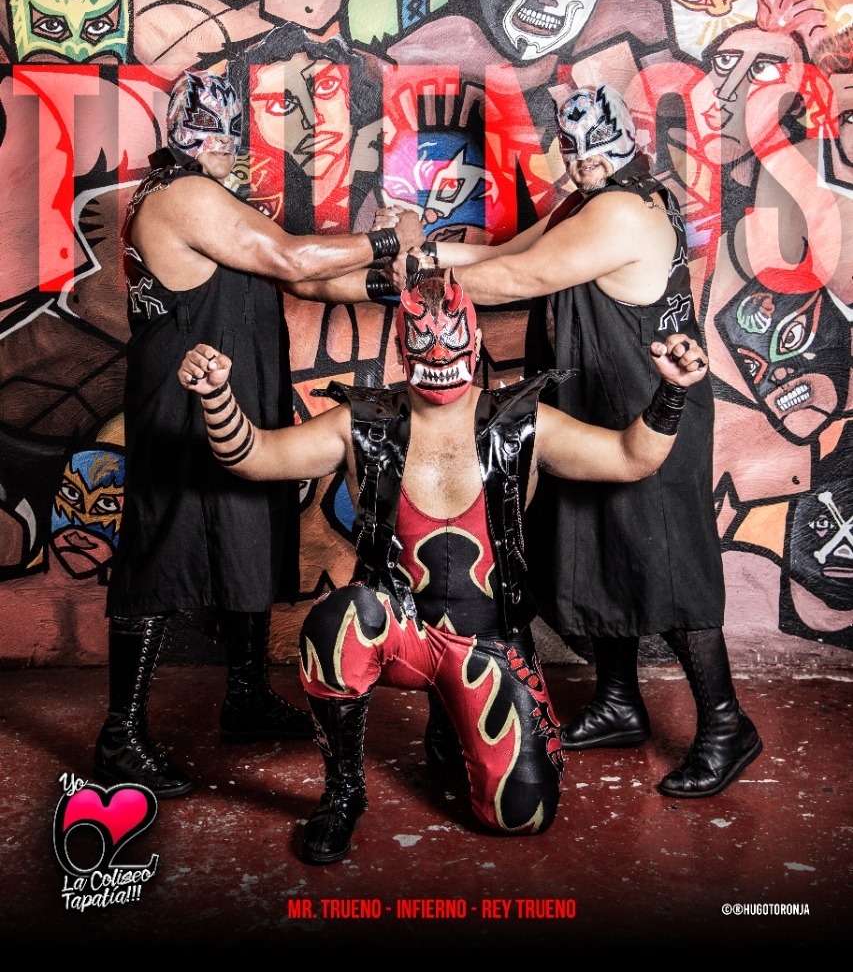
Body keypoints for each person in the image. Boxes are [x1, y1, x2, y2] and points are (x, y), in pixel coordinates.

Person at [178, 268, 710, 862]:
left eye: (452, 339)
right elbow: (253, 456)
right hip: (399, 631)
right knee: (336, 621)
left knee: (523, 814)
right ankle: (343, 791)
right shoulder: (364, 424)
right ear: (402, 347)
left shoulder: (524, 424)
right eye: (423, 341)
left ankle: (452, 716)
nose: (438, 355)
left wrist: (673, 390)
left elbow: (631, 457)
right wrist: (216, 396)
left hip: (488, 643)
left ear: (474, 342)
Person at [396, 84, 762, 799]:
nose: (581, 162)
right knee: (599, 551)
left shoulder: (623, 210)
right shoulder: (587, 202)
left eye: (594, 150)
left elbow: (517, 277)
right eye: (572, 149)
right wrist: (423, 250)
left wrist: (413, 270)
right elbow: (513, 249)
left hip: (652, 408)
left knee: (668, 565)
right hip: (597, 405)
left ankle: (727, 725)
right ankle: (620, 702)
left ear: (625, 143)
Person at [93, 67, 423, 797]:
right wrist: (388, 238)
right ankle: (120, 738)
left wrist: (389, 283)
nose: (230, 147)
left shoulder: (210, 198)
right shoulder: (183, 196)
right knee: (162, 549)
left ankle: (244, 697)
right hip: (184, 403)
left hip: (233, 398)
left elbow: (298, 281)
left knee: (245, 529)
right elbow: (290, 257)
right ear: (196, 138)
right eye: (219, 136)